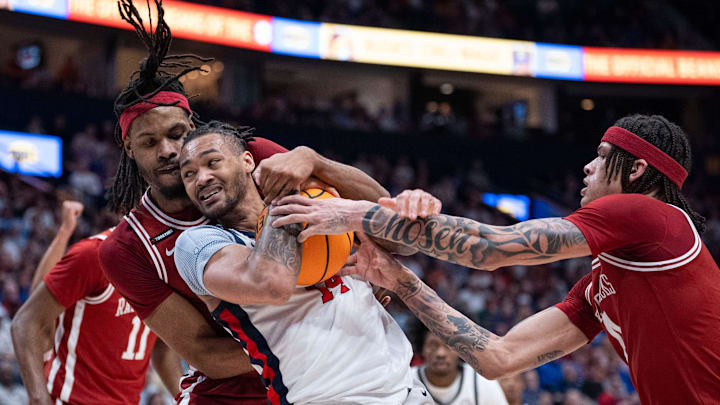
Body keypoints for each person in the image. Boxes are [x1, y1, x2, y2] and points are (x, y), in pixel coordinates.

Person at [271, 114, 720, 404]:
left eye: (602, 158)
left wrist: (352, 213)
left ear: (637, 170)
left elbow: (491, 249)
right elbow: (499, 358)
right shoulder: (602, 282)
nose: (587, 167)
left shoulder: (651, 215)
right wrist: (399, 279)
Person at [100, 1, 395, 403]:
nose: (168, 151)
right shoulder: (128, 248)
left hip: (325, 382)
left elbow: (385, 215)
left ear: (193, 127)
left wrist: (314, 159)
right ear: (129, 149)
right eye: (150, 143)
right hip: (232, 395)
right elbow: (206, 353)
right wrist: (325, 326)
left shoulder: (253, 156)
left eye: (175, 134)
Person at [173, 121, 431, 404]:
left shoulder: (316, 203)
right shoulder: (198, 244)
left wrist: (314, 161)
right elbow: (272, 284)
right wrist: (286, 192)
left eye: (213, 162)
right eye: (189, 174)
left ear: (247, 161)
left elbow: (402, 243)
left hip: (408, 390)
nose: (202, 178)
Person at [12, 201, 182, 405]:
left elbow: (163, 350)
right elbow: (31, 316)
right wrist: (39, 399)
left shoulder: (169, 265)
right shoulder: (94, 254)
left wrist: (187, 398)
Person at [411, 323, 507, 405]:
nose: (441, 353)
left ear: (462, 350)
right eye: (433, 345)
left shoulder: (481, 381)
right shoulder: (408, 380)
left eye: (449, 345)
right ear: (421, 348)